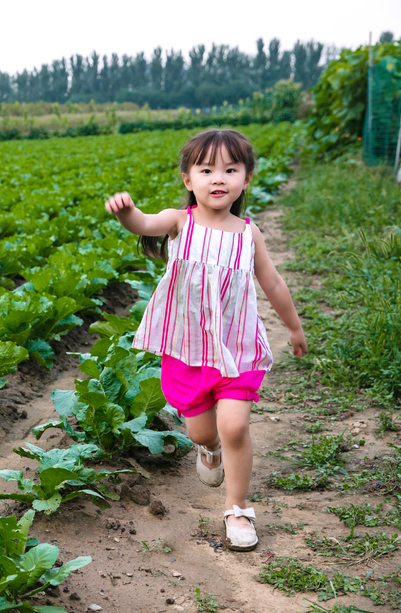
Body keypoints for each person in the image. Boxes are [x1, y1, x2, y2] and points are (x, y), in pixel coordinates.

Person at [104, 128, 306, 551]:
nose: (218, 178)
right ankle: (209, 449)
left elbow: (272, 282)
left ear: (246, 180)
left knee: (235, 425)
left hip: (236, 350)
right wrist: (126, 212)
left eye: (230, 170)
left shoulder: (248, 235)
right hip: (189, 349)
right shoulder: (180, 222)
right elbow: (143, 223)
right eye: (207, 169)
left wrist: (293, 327)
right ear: (188, 179)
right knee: (201, 432)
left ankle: (238, 508)